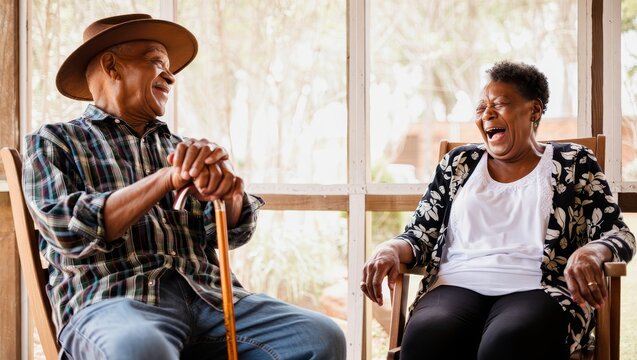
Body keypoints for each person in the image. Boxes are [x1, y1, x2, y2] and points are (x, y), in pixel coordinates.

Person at [23, 13, 346, 360]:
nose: (171, 76)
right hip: (114, 301)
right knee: (140, 349)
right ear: (111, 67)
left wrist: (229, 194)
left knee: (320, 337)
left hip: (210, 299)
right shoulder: (54, 141)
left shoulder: (185, 149)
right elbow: (66, 230)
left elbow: (229, 233)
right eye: (156, 62)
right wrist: (164, 179)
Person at [361, 60, 636, 359]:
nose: (487, 114)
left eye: (500, 103)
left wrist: (591, 252)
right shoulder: (458, 163)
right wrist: (391, 248)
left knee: (509, 342)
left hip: (539, 289)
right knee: (429, 337)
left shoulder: (573, 162)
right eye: (481, 108)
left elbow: (619, 234)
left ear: (534, 110)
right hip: (454, 284)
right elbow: (420, 234)